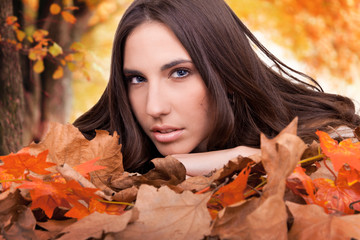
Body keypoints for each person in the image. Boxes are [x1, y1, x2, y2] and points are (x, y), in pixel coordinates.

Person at [73, 0, 360, 176]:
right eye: (137, 79)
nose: (154, 108)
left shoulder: (324, 136)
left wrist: (260, 158)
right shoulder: (104, 147)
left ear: (226, 73)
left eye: (180, 72)